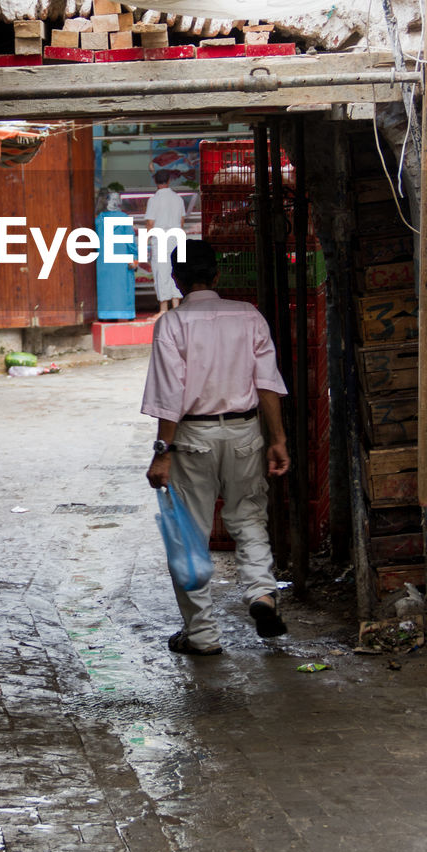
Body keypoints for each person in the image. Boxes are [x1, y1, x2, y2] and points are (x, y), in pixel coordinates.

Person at [142, 239, 291, 655]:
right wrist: (276, 440)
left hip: (193, 438)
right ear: (218, 275)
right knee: (248, 518)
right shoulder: (249, 316)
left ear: (176, 279)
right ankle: (262, 593)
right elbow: (267, 386)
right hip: (245, 433)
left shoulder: (172, 324)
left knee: (190, 535)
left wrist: (162, 452)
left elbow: (170, 395)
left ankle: (203, 636)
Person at [143, 169, 186, 314]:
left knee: (161, 273)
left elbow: (150, 223)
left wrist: (145, 242)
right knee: (175, 271)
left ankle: (163, 309)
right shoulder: (178, 199)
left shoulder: (154, 200)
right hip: (176, 240)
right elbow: (181, 221)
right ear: (169, 181)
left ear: (155, 182)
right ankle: (176, 306)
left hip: (160, 239)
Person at [94, 187, 138, 320]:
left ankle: (105, 314)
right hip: (121, 257)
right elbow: (130, 241)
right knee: (123, 286)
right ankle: (126, 314)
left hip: (103, 259)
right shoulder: (124, 218)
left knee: (106, 287)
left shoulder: (99, 220)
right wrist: (134, 257)